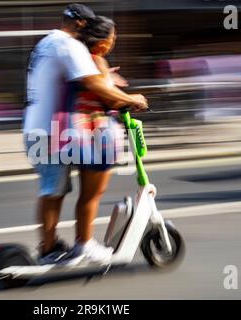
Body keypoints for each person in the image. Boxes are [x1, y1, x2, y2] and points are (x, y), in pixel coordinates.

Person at [23, 3, 147, 265]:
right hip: (50, 129)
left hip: (38, 126)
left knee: (54, 190)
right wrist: (129, 98)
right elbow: (92, 83)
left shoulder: (47, 42)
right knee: (55, 191)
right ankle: (64, 248)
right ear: (80, 24)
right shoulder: (69, 46)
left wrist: (105, 80)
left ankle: (52, 246)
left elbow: (83, 80)